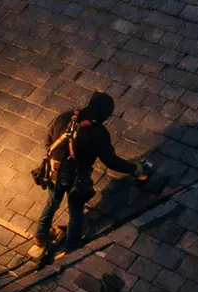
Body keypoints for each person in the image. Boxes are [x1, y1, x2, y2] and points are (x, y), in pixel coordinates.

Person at [36, 91, 149, 266]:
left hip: (54, 173)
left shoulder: (65, 117)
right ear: (104, 114)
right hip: (76, 179)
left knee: (51, 203)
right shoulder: (98, 132)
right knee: (75, 212)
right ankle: (71, 248)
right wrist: (133, 168)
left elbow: (48, 141)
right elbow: (110, 161)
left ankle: (41, 237)